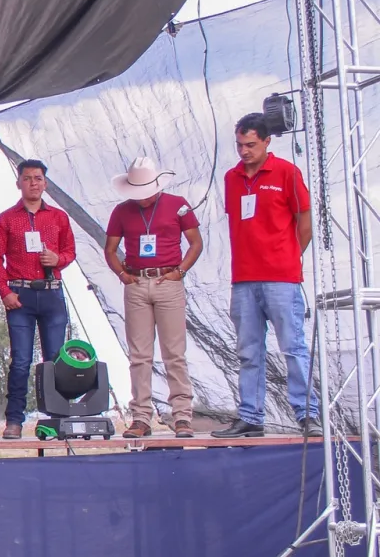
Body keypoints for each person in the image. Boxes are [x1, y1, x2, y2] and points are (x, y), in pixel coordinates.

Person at [214, 113, 319, 438]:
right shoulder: (232, 177)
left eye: (250, 145)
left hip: (281, 278)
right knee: (248, 351)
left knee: (293, 347)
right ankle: (250, 416)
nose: (244, 151)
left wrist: (288, 256)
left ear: (266, 141)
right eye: (240, 145)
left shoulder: (286, 172)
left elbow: (305, 220)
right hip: (244, 278)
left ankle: (308, 415)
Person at [104, 157, 202, 439]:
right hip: (136, 282)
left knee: (174, 353)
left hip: (167, 280)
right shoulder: (122, 211)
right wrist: (123, 275)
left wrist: (180, 271)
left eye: (146, 191)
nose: (142, 198)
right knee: (139, 356)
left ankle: (182, 416)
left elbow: (196, 242)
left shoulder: (178, 204)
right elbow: (110, 248)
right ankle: (141, 417)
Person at [0, 159, 77, 439]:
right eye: (28, 178)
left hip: (51, 292)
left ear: (45, 183)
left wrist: (58, 259)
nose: (34, 183)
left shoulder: (58, 217)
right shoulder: (6, 218)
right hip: (20, 295)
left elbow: (70, 251)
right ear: (19, 183)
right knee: (20, 359)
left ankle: (56, 418)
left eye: (38, 178)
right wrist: (5, 291)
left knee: (54, 359)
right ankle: (14, 419)